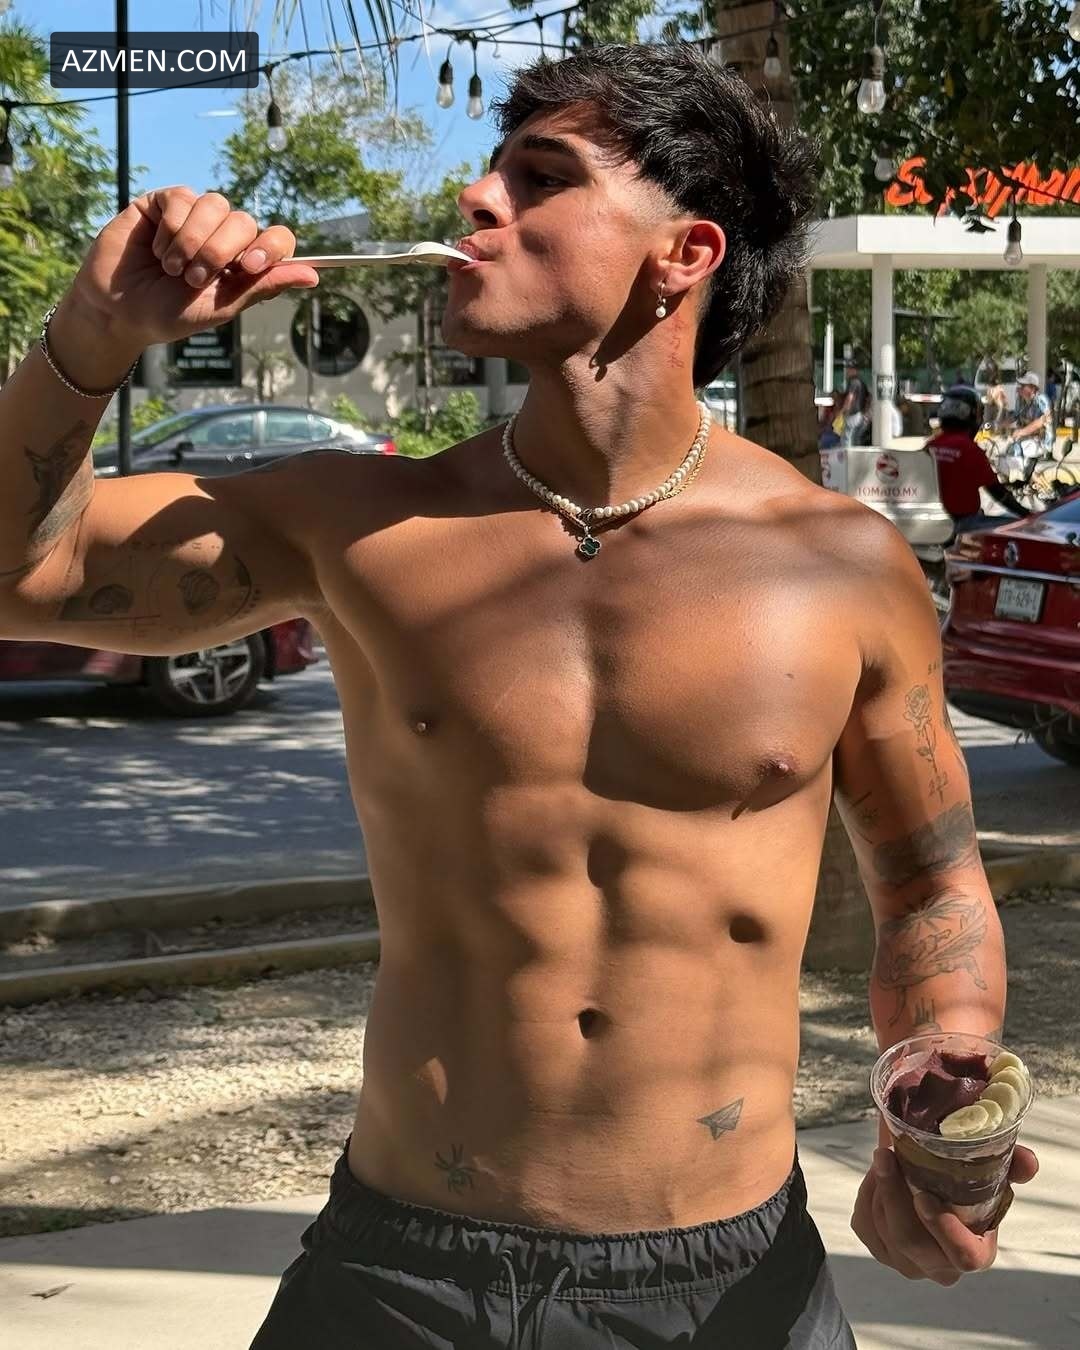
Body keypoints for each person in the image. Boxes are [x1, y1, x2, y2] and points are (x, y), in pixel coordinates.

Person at [0, 44, 1037, 1350]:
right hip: (400, 1275)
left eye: (542, 177)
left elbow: (934, 887)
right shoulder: (361, 524)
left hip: (728, 1287)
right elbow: (21, 576)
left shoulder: (841, 566)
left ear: (683, 255)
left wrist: (933, 1100)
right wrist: (90, 340)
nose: (478, 200)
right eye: (493, 172)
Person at [926, 385, 1027, 534]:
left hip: (932, 523)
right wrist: (1027, 515)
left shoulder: (930, 446)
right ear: (971, 415)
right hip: (962, 523)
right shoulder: (969, 450)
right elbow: (997, 492)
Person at [1008, 370, 1054, 483]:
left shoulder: (1042, 399)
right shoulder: (1023, 401)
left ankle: (1019, 479)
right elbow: (1014, 417)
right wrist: (996, 424)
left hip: (1042, 442)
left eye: (1023, 386)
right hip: (1029, 438)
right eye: (1020, 385)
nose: (1020, 388)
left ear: (1033, 388)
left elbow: (1041, 422)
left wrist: (1020, 432)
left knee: (1015, 446)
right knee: (1005, 447)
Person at [839, 359, 871, 446]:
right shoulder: (862, 383)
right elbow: (868, 398)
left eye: (849, 369)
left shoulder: (853, 382)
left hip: (852, 414)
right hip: (860, 415)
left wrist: (844, 410)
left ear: (854, 370)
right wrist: (865, 412)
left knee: (846, 439)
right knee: (856, 439)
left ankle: (847, 455)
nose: (847, 371)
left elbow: (850, 397)